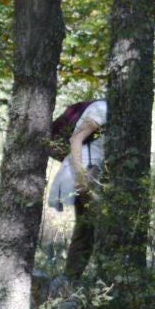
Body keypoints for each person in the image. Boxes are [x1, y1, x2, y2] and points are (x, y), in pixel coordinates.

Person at [48, 99, 107, 282]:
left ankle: (70, 282)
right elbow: (76, 139)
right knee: (102, 228)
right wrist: (82, 177)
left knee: (87, 230)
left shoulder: (119, 113)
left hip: (91, 172)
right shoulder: (103, 109)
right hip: (87, 172)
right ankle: (94, 285)